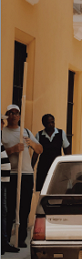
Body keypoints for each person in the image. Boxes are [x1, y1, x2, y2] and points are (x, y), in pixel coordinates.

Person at [2, 105, 43, 248]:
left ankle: (21, 239)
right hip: (10, 174)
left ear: (19, 116)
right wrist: (13, 149)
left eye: (16, 113)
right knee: (9, 208)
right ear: (7, 116)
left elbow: (40, 149)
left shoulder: (25, 131)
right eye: (11, 113)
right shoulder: (3, 132)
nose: (13, 115)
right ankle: (6, 239)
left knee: (24, 207)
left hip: (26, 174)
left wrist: (31, 143)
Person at [31, 114, 71, 191]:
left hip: (57, 168)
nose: (51, 125)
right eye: (48, 123)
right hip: (43, 168)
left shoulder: (61, 133)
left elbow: (67, 152)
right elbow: (35, 155)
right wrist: (31, 167)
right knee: (44, 190)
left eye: (52, 122)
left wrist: (67, 168)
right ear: (44, 124)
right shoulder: (39, 135)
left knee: (57, 189)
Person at [1, 115, 19, 254]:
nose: (3, 123)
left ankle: (3, 242)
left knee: (4, 211)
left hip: (4, 181)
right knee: (3, 211)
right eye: (1, 121)